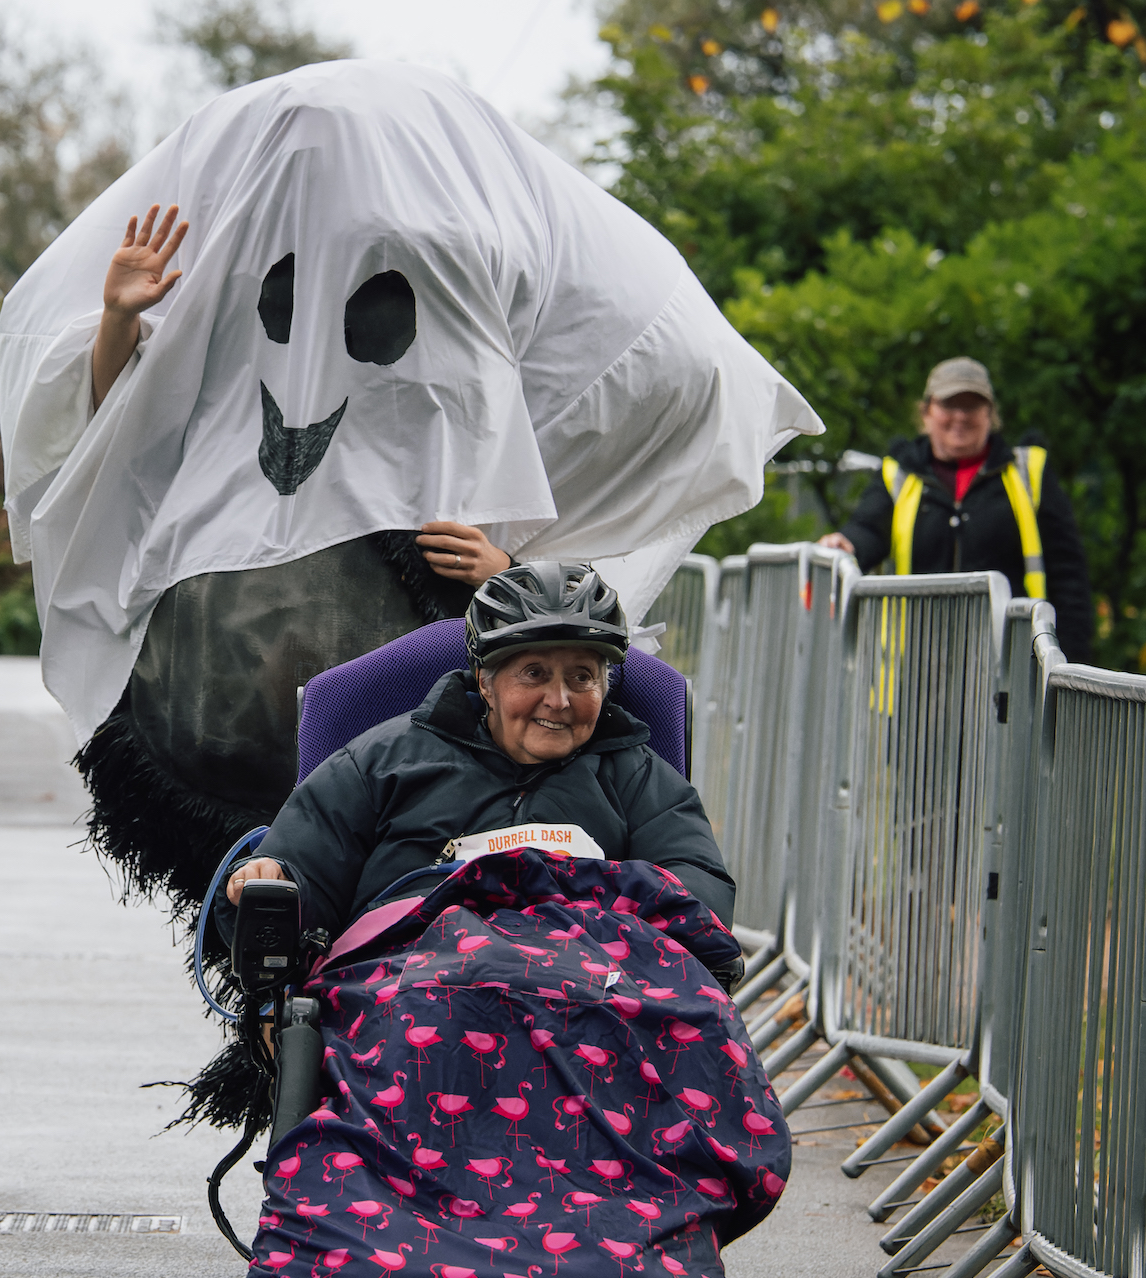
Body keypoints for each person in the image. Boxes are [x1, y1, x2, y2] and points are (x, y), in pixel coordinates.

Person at [227, 561, 735, 971]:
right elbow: (294, 879)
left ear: (605, 686)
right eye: (533, 673)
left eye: (582, 677)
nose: (558, 699)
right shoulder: (379, 763)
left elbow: (698, 889)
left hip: (594, 1001)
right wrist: (270, 879)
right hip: (409, 999)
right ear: (485, 681)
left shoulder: (638, 776)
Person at [91, 203, 515, 597]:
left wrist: (506, 573)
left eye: (363, 331)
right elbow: (126, 424)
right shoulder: (229, 380)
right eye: (287, 312)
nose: (316, 362)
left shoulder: (433, 433)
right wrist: (118, 317)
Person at [821, 357, 1092, 661]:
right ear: (926, 412)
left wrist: (1067, 665)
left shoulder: (1029, 472)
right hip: (917, 665)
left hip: (1007, 666)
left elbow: (1069, 576)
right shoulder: (898, 473)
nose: (960, 416)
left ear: (991, 414)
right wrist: (846, 543)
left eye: (972, 406)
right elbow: (869, 528)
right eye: (949, 405)